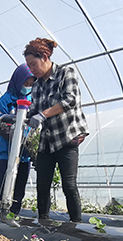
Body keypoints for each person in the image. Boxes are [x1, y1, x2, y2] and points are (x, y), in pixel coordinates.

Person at [24, 38, 88, 223]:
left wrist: (43, 114)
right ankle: (43, 223)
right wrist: (20, 117)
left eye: (33, 64)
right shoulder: (36, 85)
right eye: (29, 66)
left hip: (67, 137)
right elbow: (34, 110)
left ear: (44, 57)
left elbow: (70, 100)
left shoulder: (65, 73)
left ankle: (77, 225)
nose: (31, 70)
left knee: (69, 185)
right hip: (47, 141)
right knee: (42, 185)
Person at [0, 64, 34, 215]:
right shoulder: (5, 100)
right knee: (3, 185)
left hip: (24, 154)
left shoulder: (31, 100)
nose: (27, 87)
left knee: (19, 188)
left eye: (30, 84)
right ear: (18, 80)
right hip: (6, 152)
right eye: (25, 83)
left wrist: (28, 142)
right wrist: (15, 132)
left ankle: (14, 214)